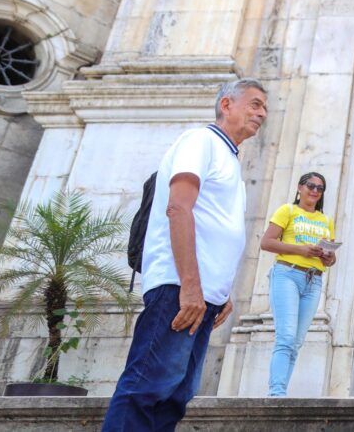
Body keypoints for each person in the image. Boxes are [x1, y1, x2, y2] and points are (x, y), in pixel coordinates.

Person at [102, 79, 268, 431]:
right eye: (254, 104)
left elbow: (217, 230)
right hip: (179, 289)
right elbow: (179, 207)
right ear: (226, 104)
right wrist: (191, 286)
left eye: (264, 108)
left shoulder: (229, 159)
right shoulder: (200, 141)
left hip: (204, 295)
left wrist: (222, 293)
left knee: (175, 396)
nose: (262, 113)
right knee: (146, 388)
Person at [259, 171, 337, 396]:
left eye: (319, 188)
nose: (314, 191)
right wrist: (301, 250)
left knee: (296, 341)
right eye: (310, 185)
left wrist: (328, 257)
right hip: (287, 274)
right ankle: (276, 393)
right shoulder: (288, 211)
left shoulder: (326, 220)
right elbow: (266, 242)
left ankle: (280, 389)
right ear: (299, 188)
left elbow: (331, 259)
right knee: (285, 336)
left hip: (314, 280)